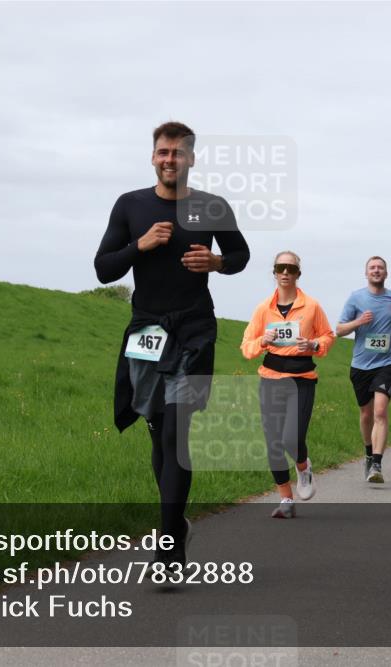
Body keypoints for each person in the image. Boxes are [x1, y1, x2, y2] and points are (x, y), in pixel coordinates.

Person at [94, 121, 250, 567]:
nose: (169, 159)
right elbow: (104, 269)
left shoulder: (211, 206)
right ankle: (175, 522)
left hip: (195, 329)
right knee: (156, 432)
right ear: (152, 156)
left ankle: (169, 545)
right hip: (147, 330)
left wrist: (218, 261)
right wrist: (139, 246)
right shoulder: (131, 206)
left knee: (176, 431)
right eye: (163, 152)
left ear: (191, 159)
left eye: (178, 153)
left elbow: (240, 255)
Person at [241, 251, 335, 518]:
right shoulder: (263, 309)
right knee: (273, 443)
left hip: (301, 379)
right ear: (274, 272)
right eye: (280, 268)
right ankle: (285, 499)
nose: (285, 272)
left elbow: (328, 336)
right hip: (270, 377)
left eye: (290, 269)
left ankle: (303, 468)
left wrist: (315, 344)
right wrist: (262, 341)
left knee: (291, 438)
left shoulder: (312, 306)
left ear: (297, 274)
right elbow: (246, 347)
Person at [337, 256, 391, 484]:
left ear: (386, 273)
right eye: (372, 268)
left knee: (380, 412)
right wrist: (358, 322)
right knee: (366, 415)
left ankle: (377, 463)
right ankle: (368, 452)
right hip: (360, 365)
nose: (376, 271)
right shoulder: (356, 297)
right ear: (366, 273)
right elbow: (339, 330)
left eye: (380, 268)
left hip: (386, 364)